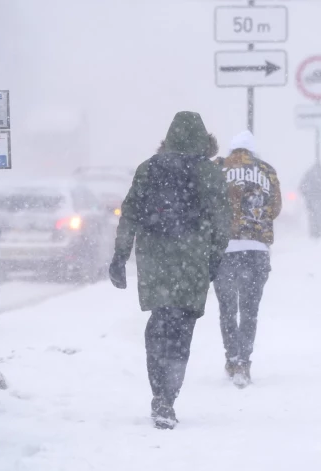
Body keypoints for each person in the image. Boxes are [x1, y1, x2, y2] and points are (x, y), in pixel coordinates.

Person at [108, 111, 231, 429]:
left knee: (159, 323)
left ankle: (158, 393)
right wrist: (216, 256)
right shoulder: (210, 173)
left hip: (154, 261)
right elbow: (221, 220)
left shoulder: (148, 170)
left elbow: (129, 215)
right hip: (192, 262)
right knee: (181, 330)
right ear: (203, 140)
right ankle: (168, 398)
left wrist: (120, 257)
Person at [213, 130, 282, 388]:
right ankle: (244, 362)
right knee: (250, 310)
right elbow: (275, 208)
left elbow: (206, 203)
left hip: (225, 249)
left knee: (227, 309)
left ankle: (231, 360)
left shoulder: (218, 168)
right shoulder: (266, 170)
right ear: (252, 151)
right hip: (256, 249)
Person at [299, 160, 321, 238]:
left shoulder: (309, 174)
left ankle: (314, 233)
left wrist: (306, 194)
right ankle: (318, 232)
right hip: (319, 198)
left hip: (311, 198)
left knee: (312, 216)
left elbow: (302, 186)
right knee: (318, 216)